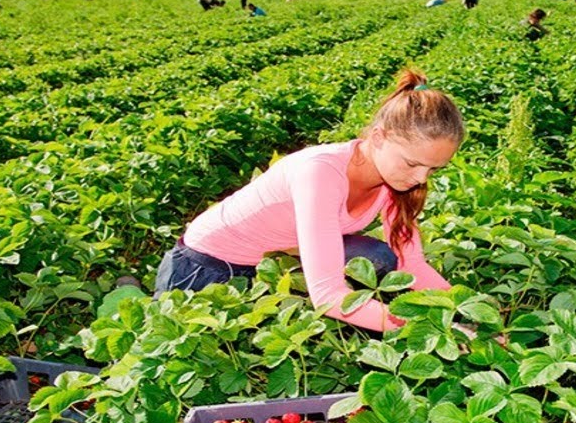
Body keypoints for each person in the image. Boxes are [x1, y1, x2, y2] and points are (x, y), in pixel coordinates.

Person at [154, 69, 464, 333]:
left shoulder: (397, 180)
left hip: (274, 266)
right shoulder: (320, 173)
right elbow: (328, 294)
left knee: (376, 256)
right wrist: (426, 329)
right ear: (379, 138)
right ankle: (139, 293)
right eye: (412, 164)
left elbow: (413, 263)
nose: (421, 178)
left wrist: (467, 312)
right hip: (206, 268)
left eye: (433, 169)